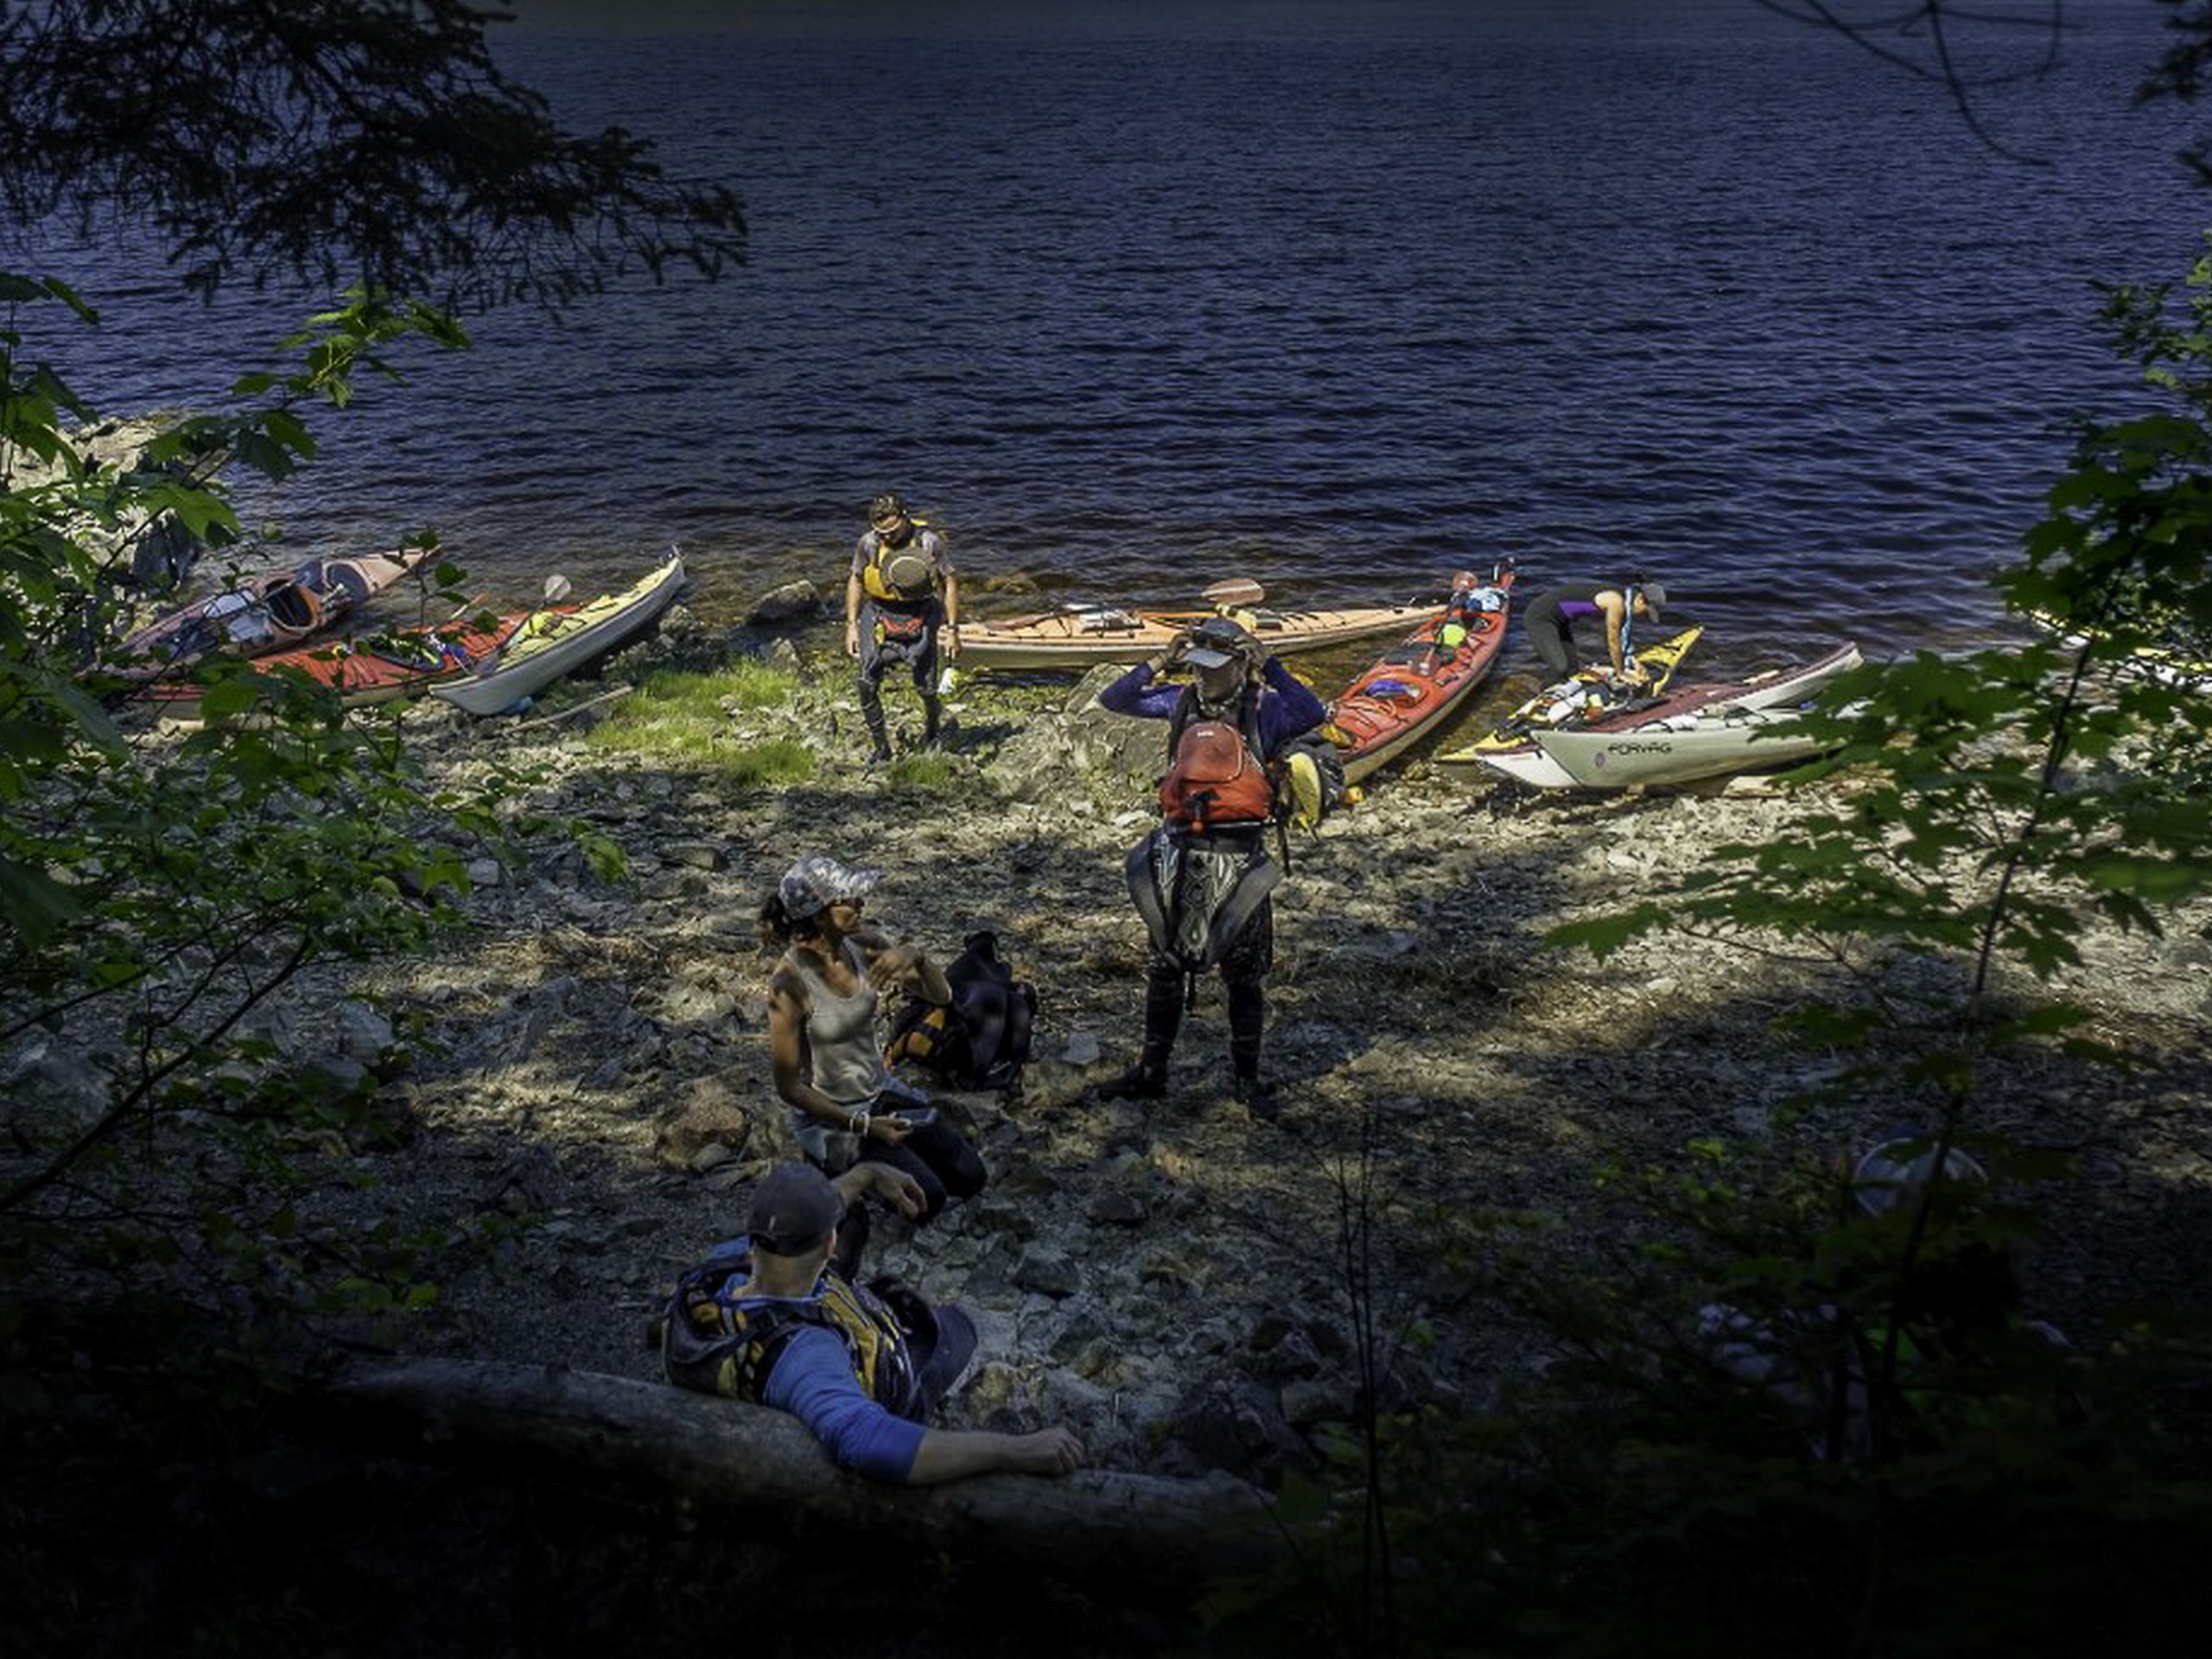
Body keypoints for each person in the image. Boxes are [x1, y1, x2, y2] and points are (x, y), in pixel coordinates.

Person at [663, 1160, 1086, 1485]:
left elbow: (806, 1210)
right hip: (900, 1377)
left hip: (789, 1321)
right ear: (831, 1243)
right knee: (961, 1329)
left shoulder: (723, 1266)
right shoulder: (806, 1354)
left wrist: (866, 1174)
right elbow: (867, 1441)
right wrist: (1014, 1451)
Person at [1093, 613, 1325, 1117]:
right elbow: (1115, 699)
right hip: (1180, 851)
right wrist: (1159, 661)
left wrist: (1272, 664)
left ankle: (1247, 1080)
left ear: (1241, 665)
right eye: (1198, 666)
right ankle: (1152, 1072)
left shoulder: (1267, 708)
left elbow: (1314, 713)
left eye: (1215, 667)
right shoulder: (1180, 702)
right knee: (1165, 965)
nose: (1204, 675)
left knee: (1244, 974)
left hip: (1241, 856)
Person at [760, 854, 987, 1222]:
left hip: (880, 1094)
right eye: (849, 900)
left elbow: (942, 996)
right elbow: (788, 1088)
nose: (861, 904)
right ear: (819, 915)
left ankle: (874, 1162)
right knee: (927, 1199)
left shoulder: (863, 947)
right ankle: (842, 1170)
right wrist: (862, 1126)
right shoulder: (789, 984)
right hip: (834, 1117)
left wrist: (917, 955)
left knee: (971, 1176)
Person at [844, 492, 958, 764]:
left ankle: (932, 730)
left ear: (905, 517)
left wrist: (953, 630)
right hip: (879, 613)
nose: (886, 538)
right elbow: (856, 579)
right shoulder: (869, 544)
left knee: (927, 687)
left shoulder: (929, 543)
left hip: (921, 613)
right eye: (880, 531)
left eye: (892, 531)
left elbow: (949, 583)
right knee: (866, 682)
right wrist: (851, 625)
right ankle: (881, 747)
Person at [1522, 578, 1667, 684]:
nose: (1642, 615)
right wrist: (1620, 673)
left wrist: (1635, 663)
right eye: (1646, 611)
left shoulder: (1626, 598)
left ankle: (1563, 690)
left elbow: (1624, 635)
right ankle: (1543, 694)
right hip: (1540, 617)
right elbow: (1613, 640)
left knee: (1573, 671)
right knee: (1560, 667)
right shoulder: (1616, 601)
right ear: (1641, 600)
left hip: (1561, 621)